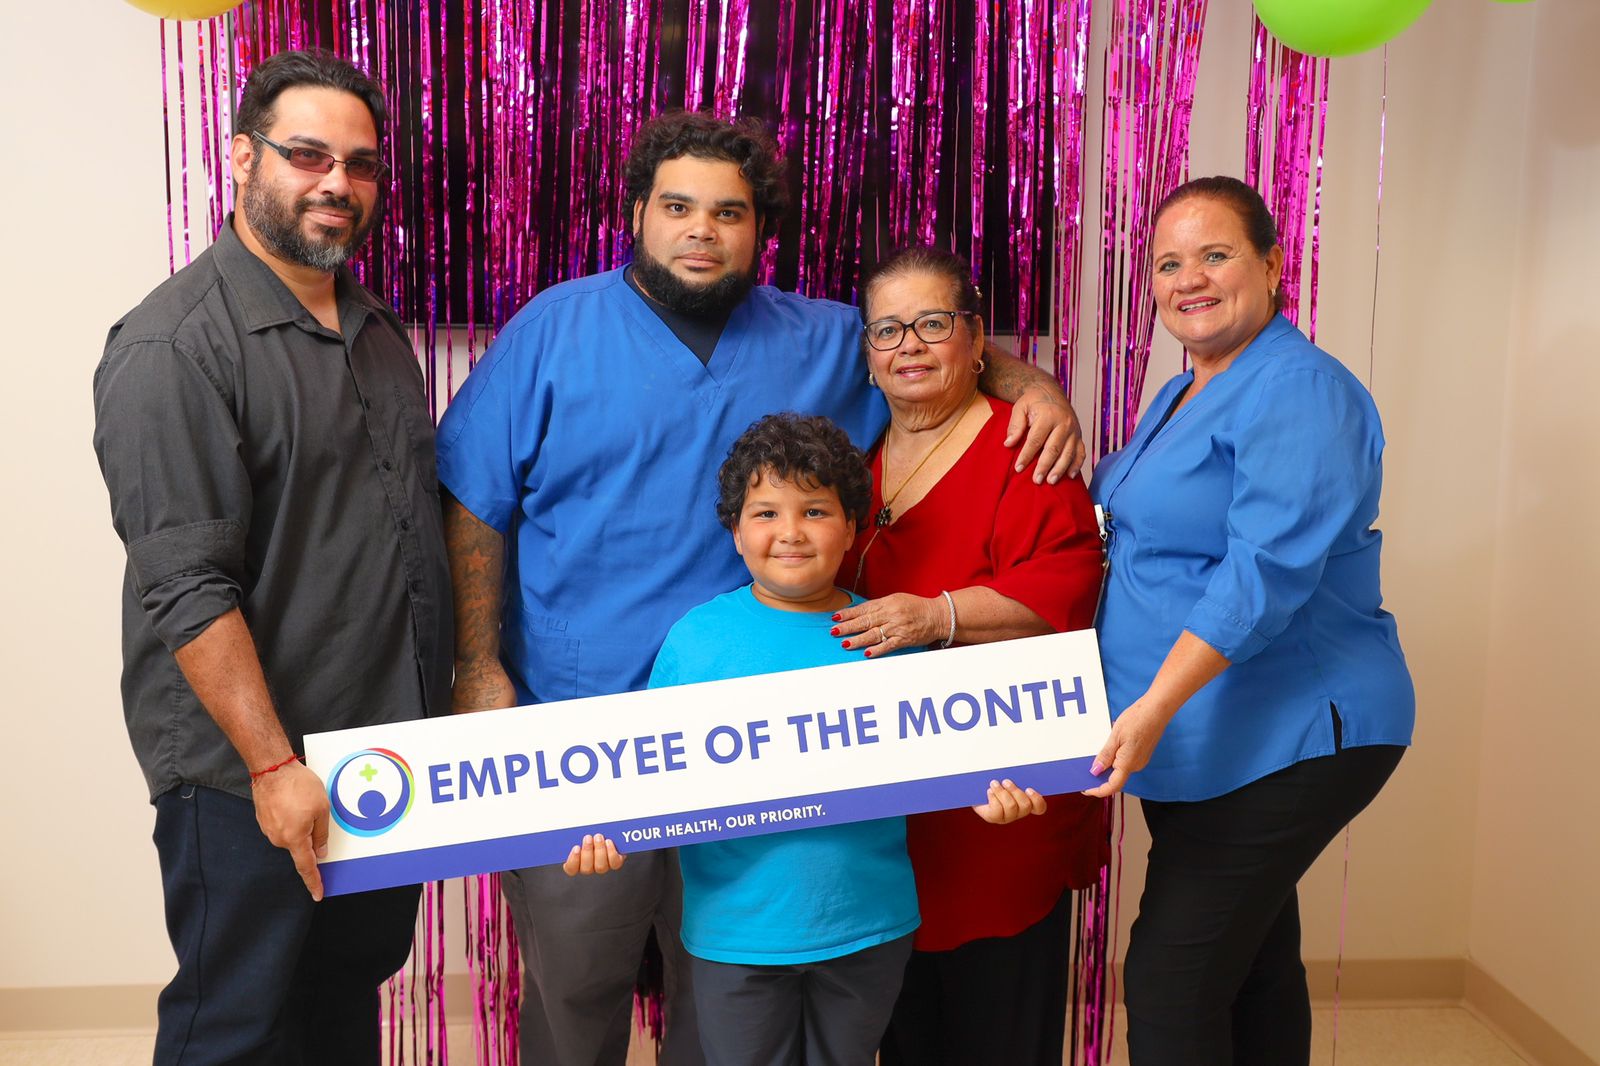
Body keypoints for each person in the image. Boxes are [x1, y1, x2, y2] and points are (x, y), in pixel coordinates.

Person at [437, 110, 1085, 1066]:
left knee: (724, 1001)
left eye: (729, 212)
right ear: (637, 214)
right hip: (584, 730)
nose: (702, 230)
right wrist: (479, 664)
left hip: (762, 747)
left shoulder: (820, 338)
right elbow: (475, 501)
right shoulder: (551, 330)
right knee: (577, 990)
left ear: (759, 231)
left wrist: (1039, 390)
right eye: (678, 207)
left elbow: (930, 349)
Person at [91, 50, 450, 1064]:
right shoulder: (173, 347)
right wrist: (274, 765)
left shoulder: (375, 329)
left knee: (340, 1008)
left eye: (360, 163)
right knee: (236, 1029)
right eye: (307, 155)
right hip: (249, 773)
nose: (337, 182)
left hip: (373, 761)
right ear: (244, 157)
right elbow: (186, 586)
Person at [564, 413, 1048, 1066]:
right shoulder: (695, 641)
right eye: (766, 513)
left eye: (815, 511)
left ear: (850, 527)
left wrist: (989, 797)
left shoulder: (887, 636)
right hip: (737, 934)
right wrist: (605, 833)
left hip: (869, 926)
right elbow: (648, 777)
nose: (791, 532)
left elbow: (949, 757)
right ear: (735, 532)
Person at [1085, 176, 1415, 1065]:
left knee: (1171, 983)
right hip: (1206, 737)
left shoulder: (1298, 389)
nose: (1188, 278)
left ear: (1273, 265)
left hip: (1289, 730)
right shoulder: (1180, 393)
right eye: (1168, 264)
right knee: (1253, 968)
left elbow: (1263, 574)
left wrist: (1154, 705)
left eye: (1215, 254)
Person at [828, 246, 1108, 1065]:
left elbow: (1068, 589)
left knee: (996, 1033)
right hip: (893, 821)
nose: (909, 345)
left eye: (932, 323)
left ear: (977, 339)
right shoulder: (859, 464)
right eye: (888, 330)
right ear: (868, 356)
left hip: (999, 806)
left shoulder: (1026, 449)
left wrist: (938, 616)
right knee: (907, 1032)